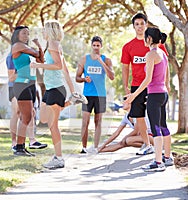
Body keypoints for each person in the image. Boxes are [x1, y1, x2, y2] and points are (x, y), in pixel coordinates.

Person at [31, 20, 87, 169]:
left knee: (53, 125)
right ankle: (71, 101)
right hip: (51, 89)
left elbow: (58, 66)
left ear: (49, 30)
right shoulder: (52, 46)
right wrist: (73, 90)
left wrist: (38, 65)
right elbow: (66, 71)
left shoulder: (54, 45)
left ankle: (59, 158)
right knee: (43, 117)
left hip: (56, 89)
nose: (42, 32)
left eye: (44, 29)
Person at [125, 27, 173, 172]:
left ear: (149, 39)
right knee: (163, 125)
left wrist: (133, 95)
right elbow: (165, 76)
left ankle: (158, 163)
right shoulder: (163, 54)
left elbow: (148, 79)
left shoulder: (151, 54)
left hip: (155, 94)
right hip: (162, 94)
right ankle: (167, 157)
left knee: (155, 128)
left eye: (145, 37)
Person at [121, 13, 168, 155]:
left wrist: (166, 83)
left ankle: (164, 150)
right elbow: (125, 67)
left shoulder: (157, 45)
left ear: (146, 25)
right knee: (138, 114)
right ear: (134, 27)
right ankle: (147, 145)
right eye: (137, 24)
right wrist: (126, 86)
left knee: (159, 119)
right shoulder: (128, 46)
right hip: (137, 85)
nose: (140, 26)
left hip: (154, 86)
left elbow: (165, 64)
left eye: (142, 23)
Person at [75, 36, 115, 154]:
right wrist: (84, 79)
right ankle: (84, 147)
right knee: (85, 121)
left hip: (100, 95)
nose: (96, 47)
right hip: (87, 94)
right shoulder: (84, 59)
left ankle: (96, 147)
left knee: (98, 121)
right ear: (91, 46)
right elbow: (77, 78)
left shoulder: (106, 60)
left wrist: (101, 62)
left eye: (98, 45)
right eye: (94, 45)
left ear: (101, 46)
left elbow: (112, 76)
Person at [11, 25, 44, 156]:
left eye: (28, 34)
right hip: (22, 84)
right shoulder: (17, 46)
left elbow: (41, 59)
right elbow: (38, 55)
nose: (26, 36)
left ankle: (21, 146)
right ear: (17, 35)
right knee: (26, 117)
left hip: (31, 84)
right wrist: (37, 48)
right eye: (24, 33)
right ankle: (19, 147)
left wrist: (39, 46)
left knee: (29, 115)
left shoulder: (28, 49)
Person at [6, 53, 47, 152]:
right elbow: (11, 77)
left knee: (31, 112)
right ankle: (14, 143)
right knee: (16, 113)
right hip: (15, 86)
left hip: (28, 86)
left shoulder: (28, 56)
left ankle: (32, 141)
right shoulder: (11, 56)